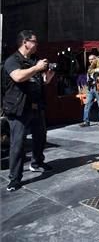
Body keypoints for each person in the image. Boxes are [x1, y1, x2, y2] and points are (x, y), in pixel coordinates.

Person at [2, 30, 55, 191]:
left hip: (36, 106)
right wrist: (37, 67)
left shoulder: (33, 61)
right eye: (34, 41)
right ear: (25, 42)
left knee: (41, 137)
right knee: (18, 144)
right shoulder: (12, 60)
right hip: (18, 108)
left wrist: (48, 75)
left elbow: (41, 81)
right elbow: (18, 77)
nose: (37, 44)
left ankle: (37, 162)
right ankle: (15, 178)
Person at [80, 54, 99, 127]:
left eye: (92, 59)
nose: (91, 61)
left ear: (96, 59)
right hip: (90, 88)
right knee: (87, 104)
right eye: (89, 59)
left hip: (97, 87)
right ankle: (86, 121)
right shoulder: (90, 68)